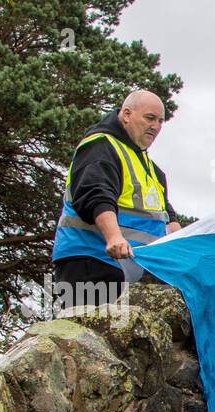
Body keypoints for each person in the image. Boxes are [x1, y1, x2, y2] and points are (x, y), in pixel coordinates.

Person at [51, 90, 181, 309]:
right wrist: (113, 236)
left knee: (117, 337)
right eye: (150, 118)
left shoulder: (152, 170)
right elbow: (95, 194)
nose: (156, 126)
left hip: (125, 268)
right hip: (89, 260)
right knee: (84, 334)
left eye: (160, 121)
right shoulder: (101, 145)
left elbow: (167, 217)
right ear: (127, 114)